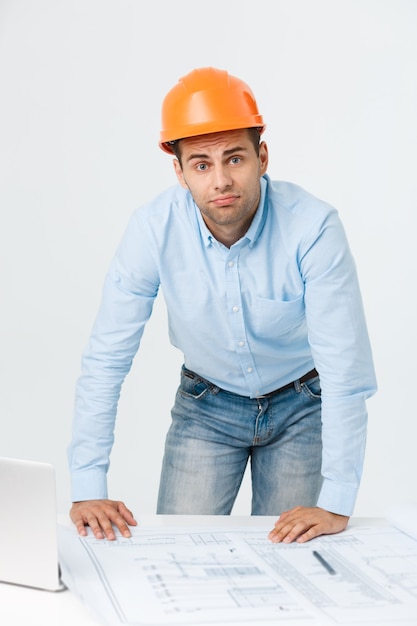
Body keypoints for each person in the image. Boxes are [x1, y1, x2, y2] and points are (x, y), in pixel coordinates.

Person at [68, 67, 377, 544]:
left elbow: (344, 368)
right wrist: (87, 485)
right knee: (178, 554)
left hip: (302, 407)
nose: (221, 180)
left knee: (288, 561)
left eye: (235, 158)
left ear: (262, 156)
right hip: (205, 408)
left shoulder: (313, 227)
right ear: (180, 171)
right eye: (201, 164)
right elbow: (107, 357)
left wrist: (336, 500)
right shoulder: (152, 230)